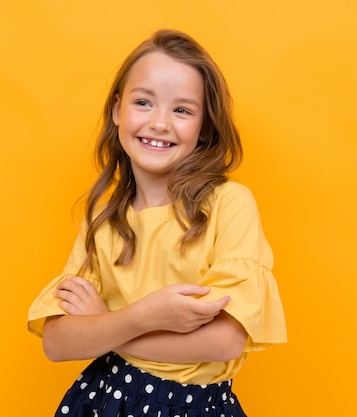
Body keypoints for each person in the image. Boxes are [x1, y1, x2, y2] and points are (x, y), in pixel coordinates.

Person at [27, 29, 287, 417]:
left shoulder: (228, 204)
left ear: (204, 128)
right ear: (117, 110)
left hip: (197, 407)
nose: (160, 123)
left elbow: (226, 340)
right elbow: (57, 342)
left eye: (182, 110)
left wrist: (106, 327)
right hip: (104, 400)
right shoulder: (103, 217)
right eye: (144, 102)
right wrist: (143, 316)